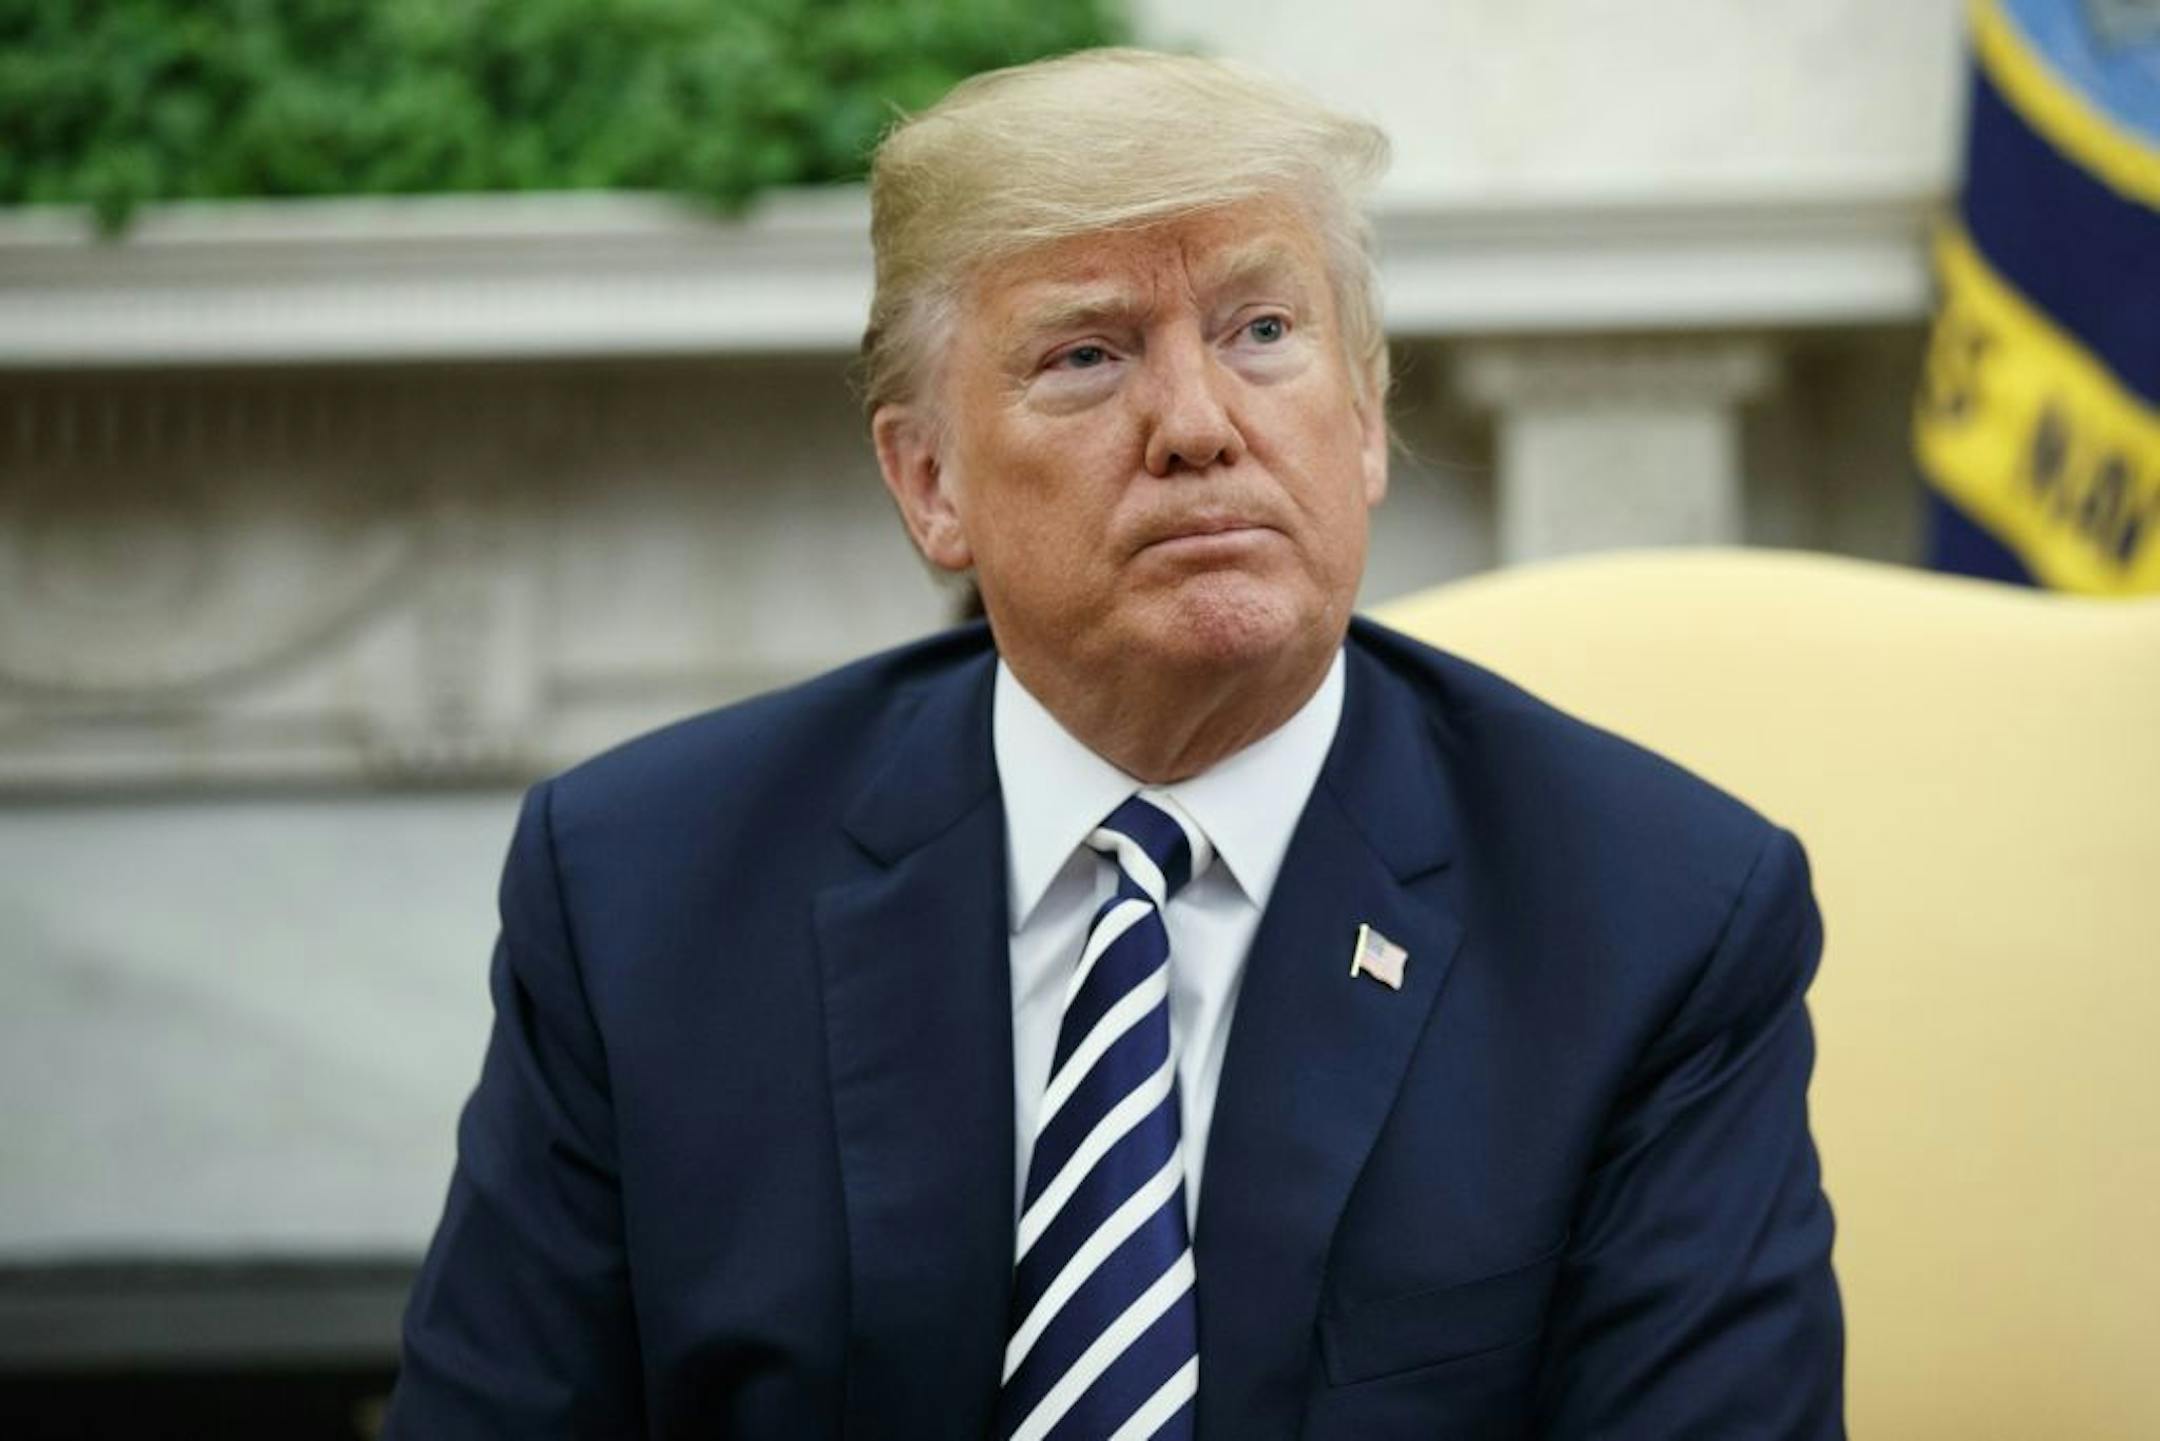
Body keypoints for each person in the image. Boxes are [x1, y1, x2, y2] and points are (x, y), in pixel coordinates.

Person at [386, 48, 1844, 1440]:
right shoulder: (643, 894)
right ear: (929, 480)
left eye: (1263, 332)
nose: (1198, 424)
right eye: (1087, 356)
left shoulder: (1654, 920)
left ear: (1369, 416)